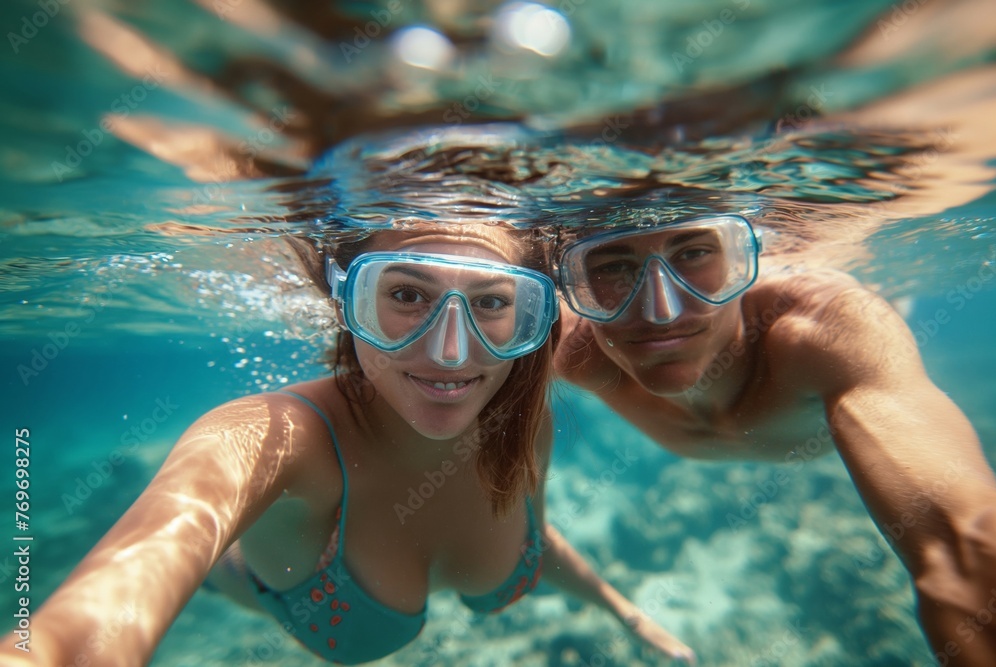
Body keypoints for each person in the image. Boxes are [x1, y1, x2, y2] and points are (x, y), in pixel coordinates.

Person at [1, 220, 696, 666]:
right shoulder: (267, 436)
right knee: (219, 568)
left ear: (532, 313)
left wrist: (622, 609)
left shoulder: (525, 421)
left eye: (491, 302)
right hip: (238, 573)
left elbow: (535, 542)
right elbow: (84, 629)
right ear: (347, 303)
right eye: (405, 295)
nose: (452, 353)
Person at [552, 209, 996, 664]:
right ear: (573, 283)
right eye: (610, 266)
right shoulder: (570, 350)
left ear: (742, 260)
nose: (661, 310)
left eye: (694, 254)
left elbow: (961, 547)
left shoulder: (824, 330)